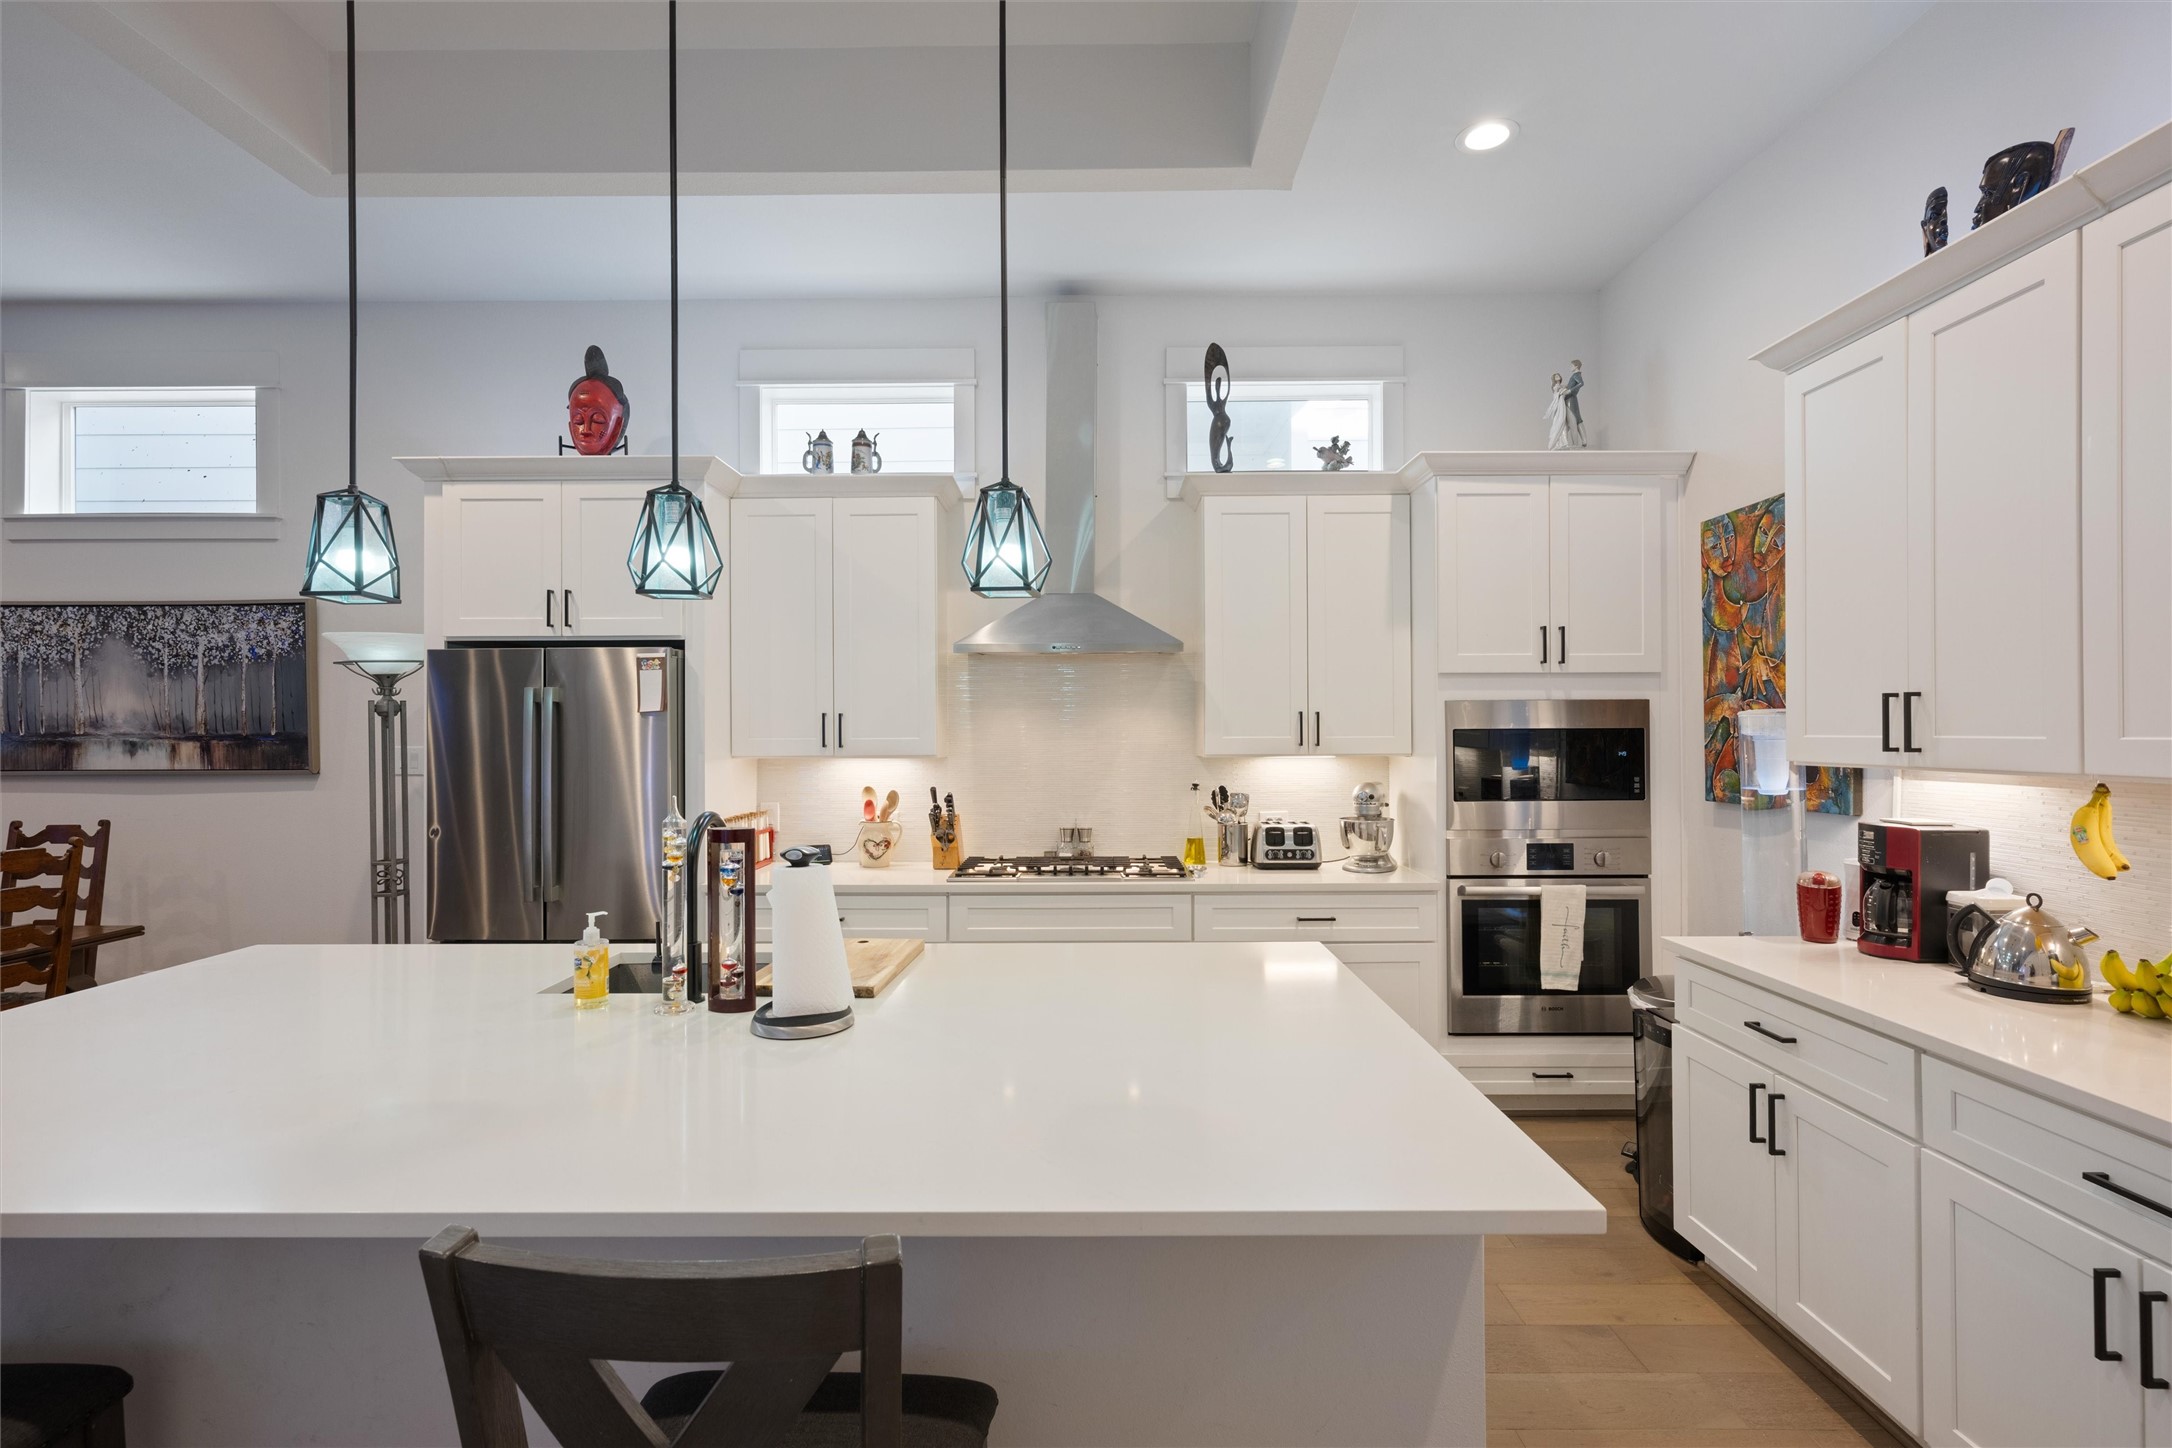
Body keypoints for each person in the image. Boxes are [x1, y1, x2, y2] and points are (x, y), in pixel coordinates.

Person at [1544, 373, 1571, 451]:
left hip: (1563, 404)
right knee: (1560, 422)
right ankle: (1560, 443)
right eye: (1555, 377)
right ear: (1554, 379)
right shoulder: (1556, 387)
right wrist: (1562, 391)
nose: (1557, 377)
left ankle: (1563, 443)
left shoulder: (1561, 386)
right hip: (1560, 405)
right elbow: (1556, 395)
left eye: (1558, 375)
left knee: (1564, 424)